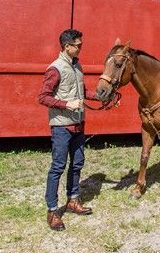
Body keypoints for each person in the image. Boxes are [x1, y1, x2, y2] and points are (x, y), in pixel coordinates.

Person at [38, 28, 102, 231]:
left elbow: (82, 93)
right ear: (67, 46)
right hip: (61, 127)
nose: (81, 47)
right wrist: (67, 104)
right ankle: (52, 211)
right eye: (78, 45)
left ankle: (73, 200)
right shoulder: (55, 68)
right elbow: (43, 97)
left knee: (77, 164)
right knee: (58, 167)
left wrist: (99, 96)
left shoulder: (77, 66)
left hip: (78, 125)